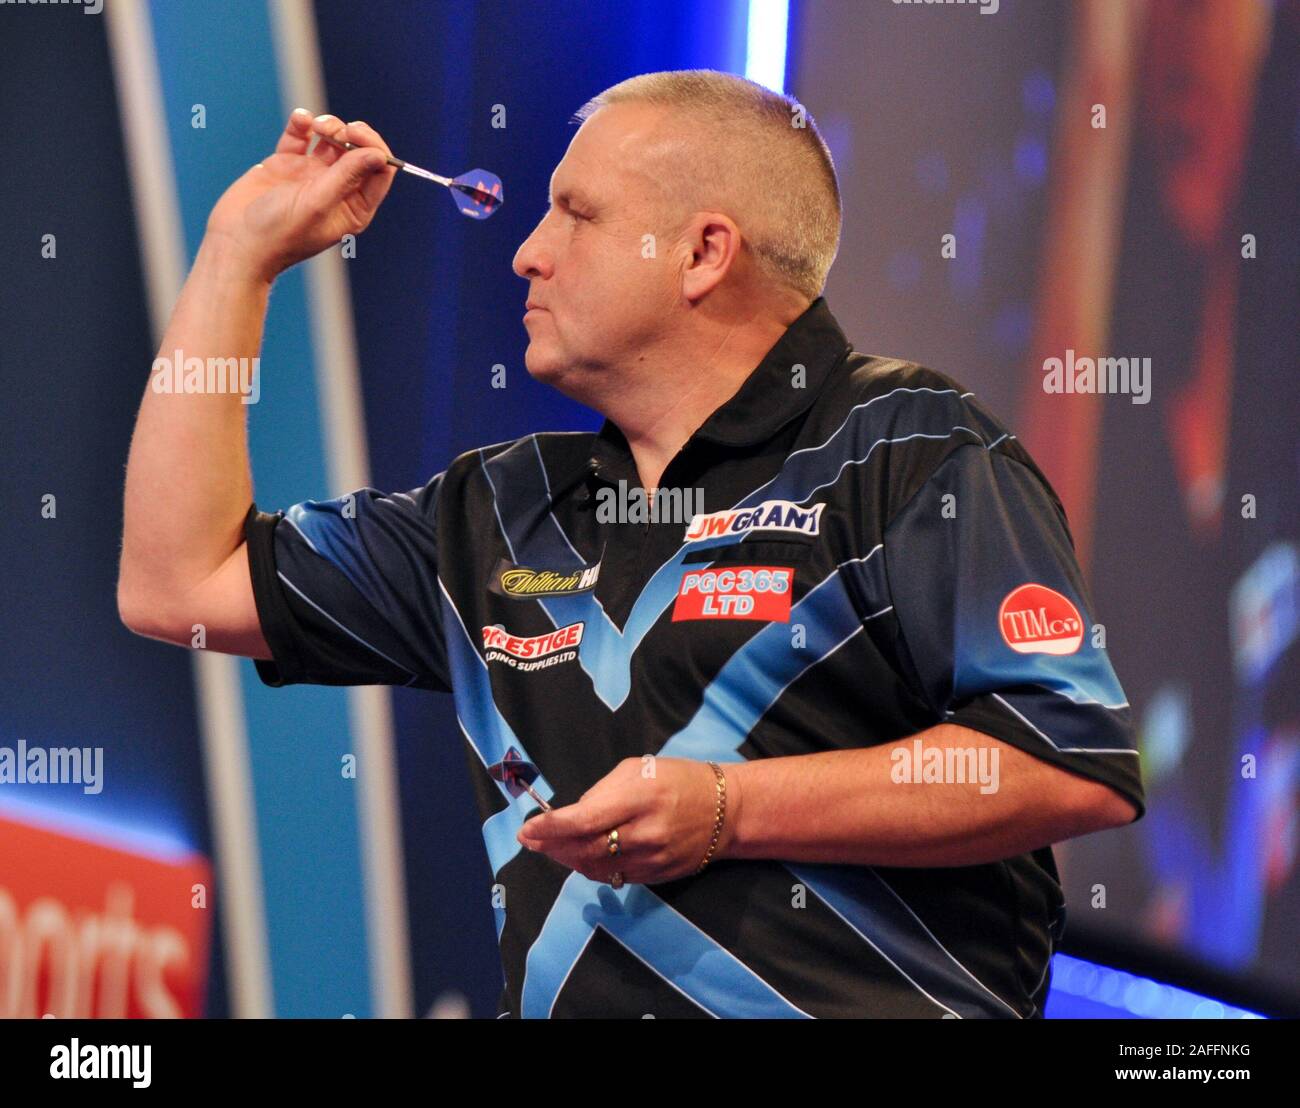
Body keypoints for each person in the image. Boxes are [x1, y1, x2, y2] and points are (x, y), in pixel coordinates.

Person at [118, 70, 1143, 1018]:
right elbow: (178, 584)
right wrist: (236, 257)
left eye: (577, 213)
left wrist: (728, 807)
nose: (528, 250)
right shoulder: (501, 508)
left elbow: (1065, 761)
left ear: (702, 253)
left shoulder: (909, 447)